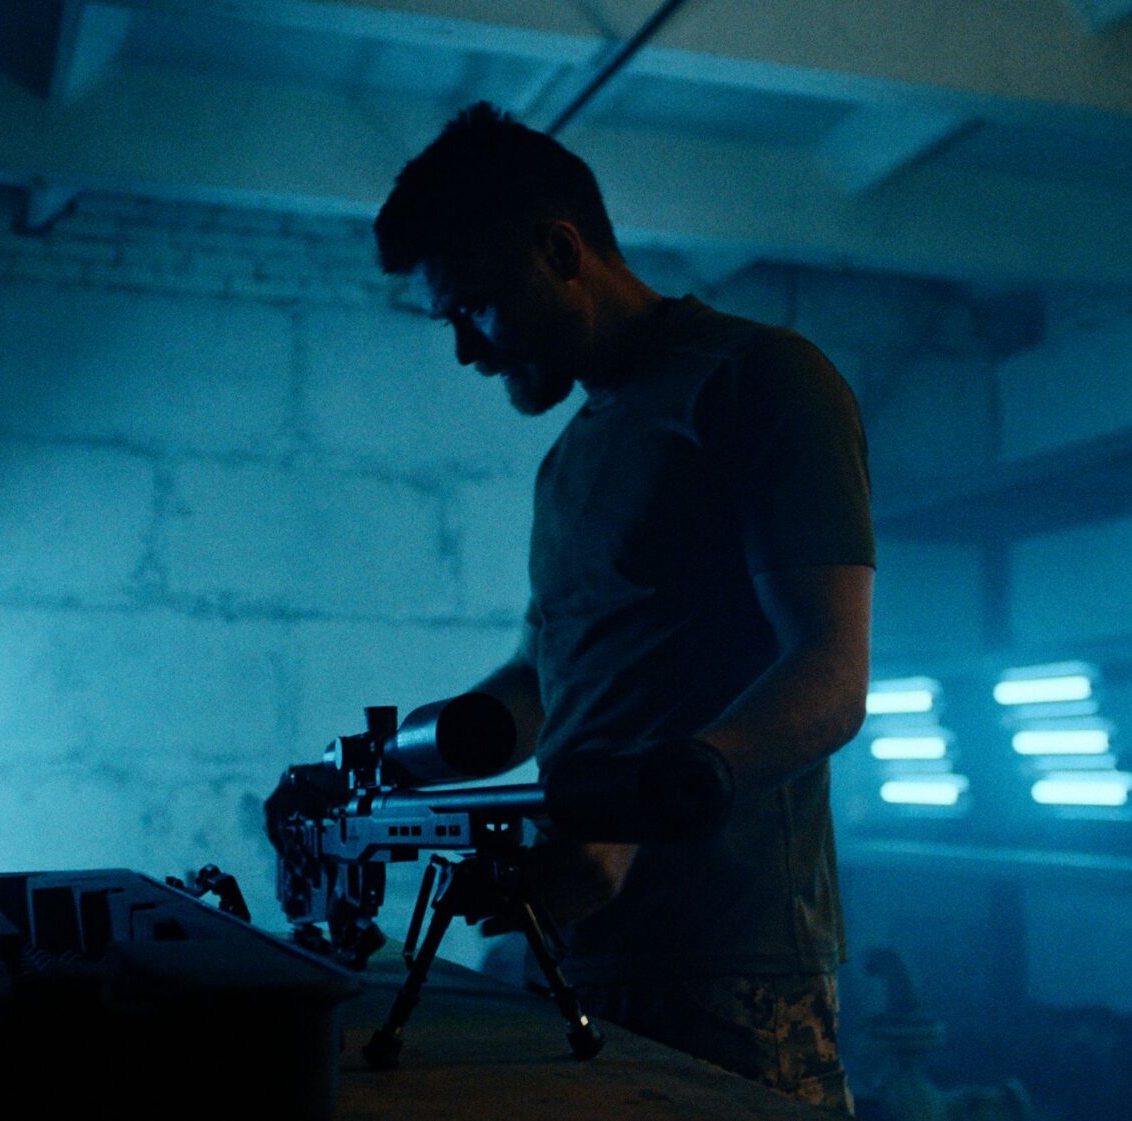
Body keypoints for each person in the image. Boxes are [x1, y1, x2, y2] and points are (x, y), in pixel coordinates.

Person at [373, 102, 875, 1111]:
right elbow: (544, 677)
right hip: (578, 946)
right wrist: (394, 763)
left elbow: (830, 676)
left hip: (730, 960)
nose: (467, 350)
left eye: (476, 306)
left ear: (561, 252)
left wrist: (634, 817)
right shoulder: (569, 457)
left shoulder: (761, 380)